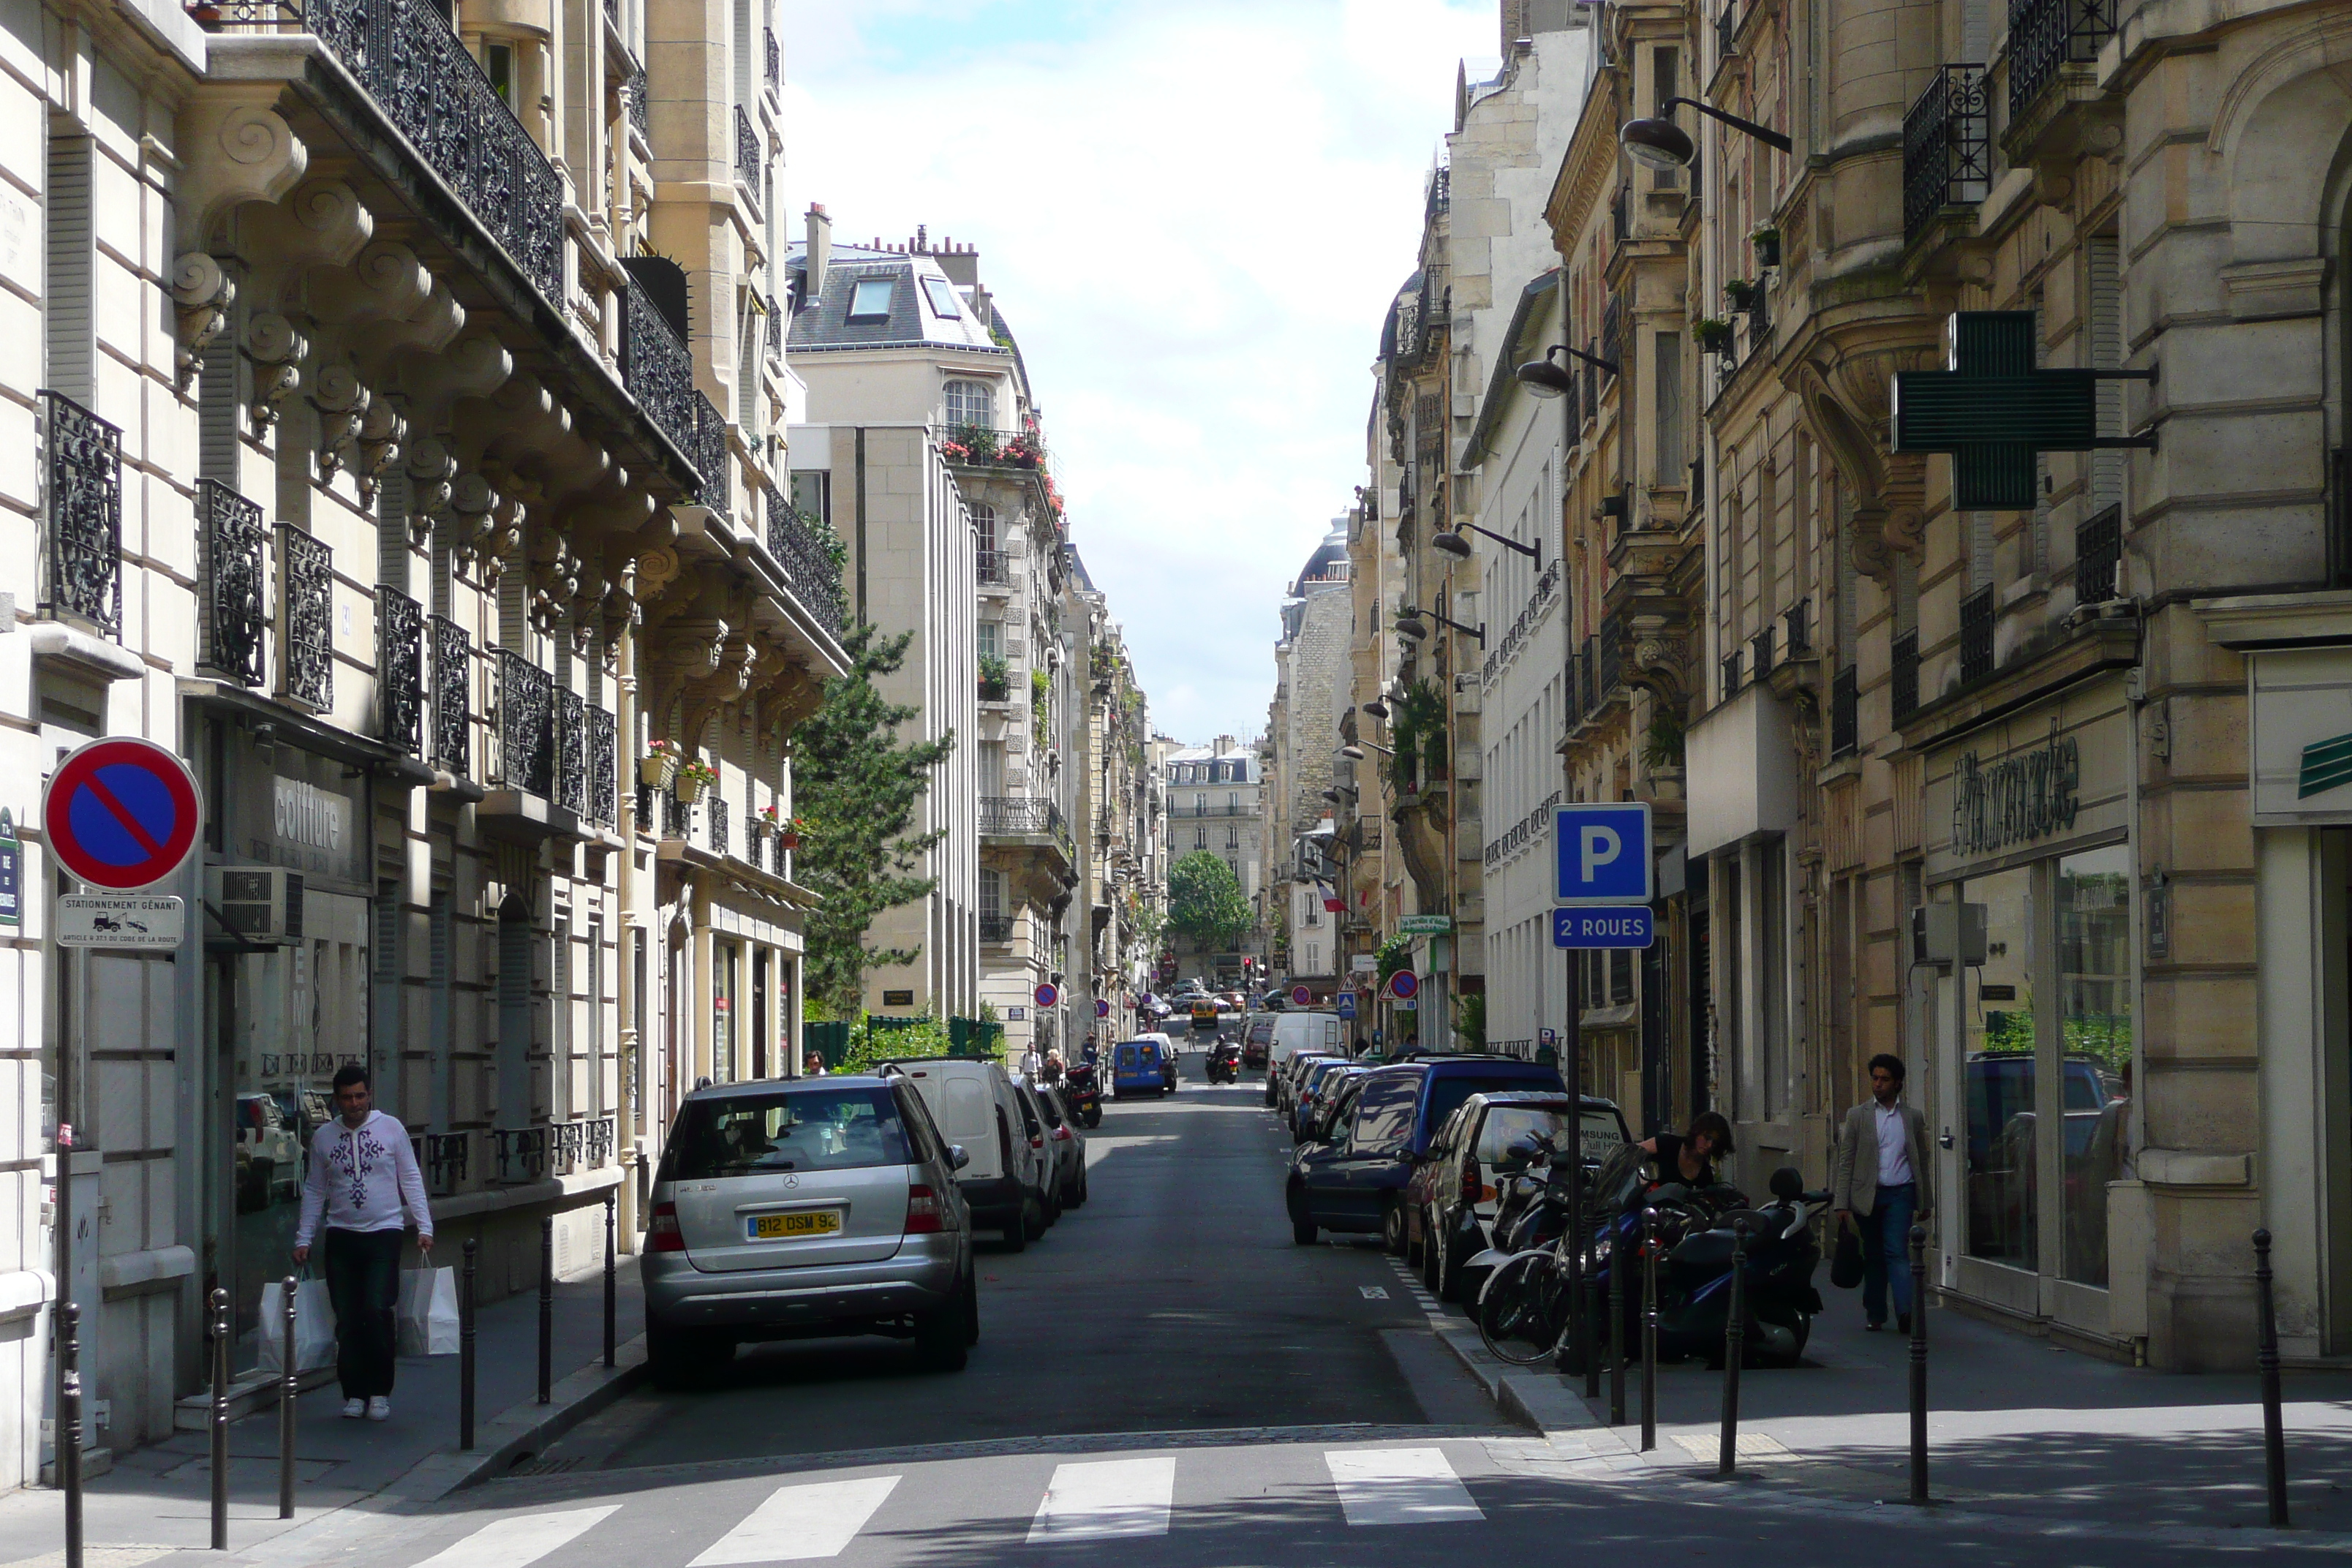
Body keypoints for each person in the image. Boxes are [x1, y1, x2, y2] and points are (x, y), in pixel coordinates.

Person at [292, 1065, 432, 1422]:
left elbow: (410, 1177)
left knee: (376, 1310)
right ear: (336, 1100)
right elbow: (314, 1190)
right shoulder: (324, 1138)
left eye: (360, 1095)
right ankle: (354, 1392)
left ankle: (379, 1391)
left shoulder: (391, 1130)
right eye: (346, 1097)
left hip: (384, 1232)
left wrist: (423, 1225)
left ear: (369, 1095)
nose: (354, 1103)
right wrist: (304, 1237)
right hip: (341, 1236)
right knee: (348, 1318)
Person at [1831, 1053, 1934, 1334]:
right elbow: (1846, 1161)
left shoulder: (1911, 1117)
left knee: (1896, 1251)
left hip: (1901, 1192)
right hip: (1867, 1195)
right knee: (1874, 1255)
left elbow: (1921, 1161)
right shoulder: (1858, 1116)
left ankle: (1906, 1312)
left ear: (1897, 1083)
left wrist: (1926, 1201)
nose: (1878, 1084)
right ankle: (1875, 1313)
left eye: (1884, 1079)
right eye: (1874, 1078)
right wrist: (1841, 1203)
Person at [1637, 1111, 1734, 1188]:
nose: (1709, 1145)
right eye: (1707, 1138)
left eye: (1715, 1142)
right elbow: (1632, 1151)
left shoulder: (1705, 1174)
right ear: (1697, 1132)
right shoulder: (1667, 1143)